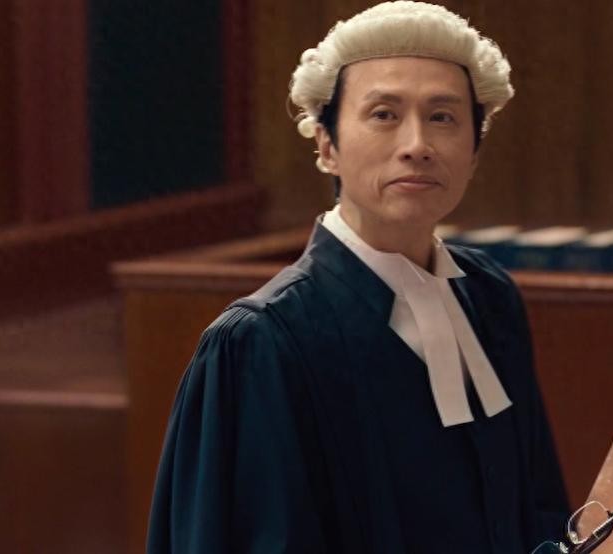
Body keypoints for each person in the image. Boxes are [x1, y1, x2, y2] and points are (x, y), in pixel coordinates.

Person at [147, 2, 569, 552]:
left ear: (474, 152)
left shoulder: (489, 297)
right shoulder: (262, 341)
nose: (417, 145)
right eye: (384, 114)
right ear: (327, 147)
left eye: (443, 117)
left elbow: (541, 511)